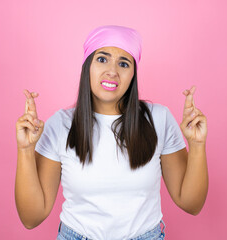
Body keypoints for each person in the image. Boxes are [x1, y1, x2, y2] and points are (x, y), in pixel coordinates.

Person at [15, 25, 208, 240]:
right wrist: (25, 150)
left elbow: (191, 204)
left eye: (124, 63)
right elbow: (31, 218)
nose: (112, 71)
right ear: (87, 65)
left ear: (133, 74)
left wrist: (197, 145)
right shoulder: (60, 125)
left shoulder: (158, 119)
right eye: (102, 59)